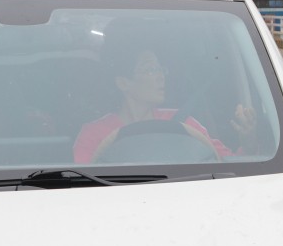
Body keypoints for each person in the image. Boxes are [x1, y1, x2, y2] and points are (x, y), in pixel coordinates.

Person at [73, 46, 257, 164]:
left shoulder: (185, 124)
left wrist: (248, 142)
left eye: (160, 69)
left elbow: (229, 164)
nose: (161, 76)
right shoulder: (92, 134)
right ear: (123, 83)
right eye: (150, 69)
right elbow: (85, 186)